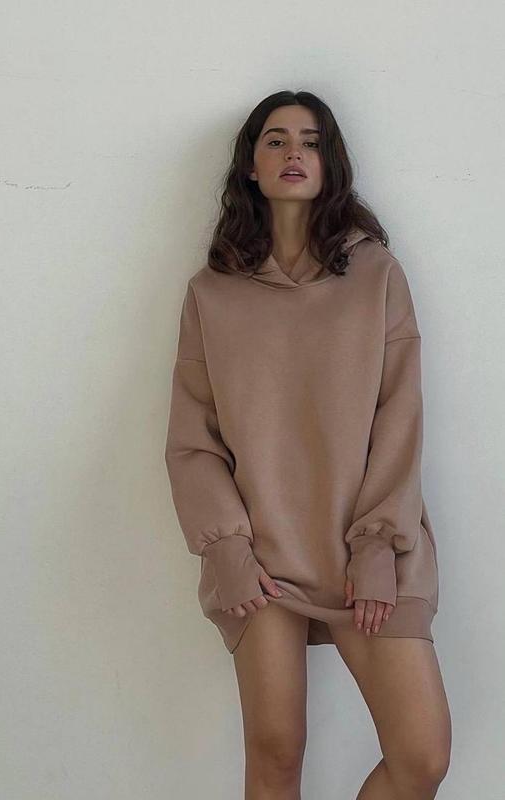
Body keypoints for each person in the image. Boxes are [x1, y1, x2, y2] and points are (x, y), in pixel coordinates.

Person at [164, 90, 452, 799]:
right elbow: (193, 438)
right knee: (275, 755)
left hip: (366, 553)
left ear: (331, 164)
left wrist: (378, 542)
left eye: (312, 141)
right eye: (276, 140)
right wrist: (225, 549)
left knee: (420, 757)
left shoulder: (376, 275)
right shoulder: (212, 293)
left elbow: (400, 416)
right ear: (251, 166)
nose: (294, 153)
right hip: (261, 558)